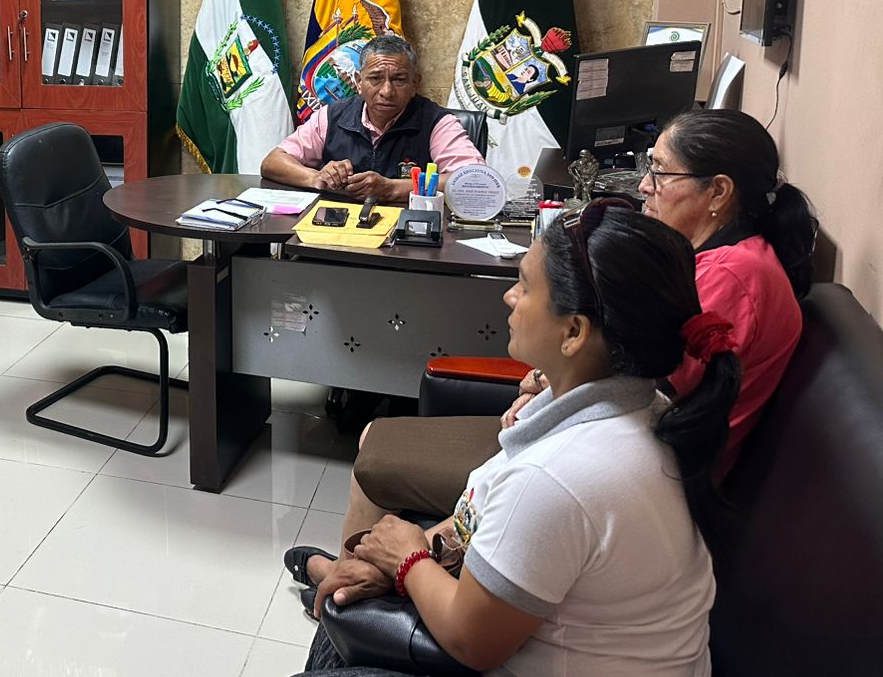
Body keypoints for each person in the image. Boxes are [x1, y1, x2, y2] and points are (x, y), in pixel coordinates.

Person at [246, 202, 741, 677]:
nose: (509, 297)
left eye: (525, 287)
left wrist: (408, 559)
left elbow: (472, 639)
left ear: (574, 332)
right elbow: (486, 525)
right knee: (345, 616)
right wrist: (398, 560)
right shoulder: (641, 404)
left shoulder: (562, 476)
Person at [297, 108, 813, 614]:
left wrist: (543, 392)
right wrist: (543, 383)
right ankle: (354, 575)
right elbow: (626, 368)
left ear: (718, 191)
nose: (644, 185)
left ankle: (352, 589)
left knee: (377, 449)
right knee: (381, 443)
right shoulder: (716, 259)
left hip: (644, 474)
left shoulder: (730, 278)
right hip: (614, 443)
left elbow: (643, 387)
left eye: (660, 172)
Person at [261, 34, 485, 201]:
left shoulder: (436, 122)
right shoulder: (332, 115)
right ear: (359, 82)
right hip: (337, 233)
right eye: (375, 78)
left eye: (399, 80)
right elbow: (273, 162)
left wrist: (393, 189)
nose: (387, 91)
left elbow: (475, 181)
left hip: (408, 238)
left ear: (415, 84)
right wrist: (318, 177)